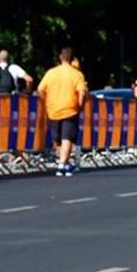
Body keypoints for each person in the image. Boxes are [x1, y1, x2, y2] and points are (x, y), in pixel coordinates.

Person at [37, 47, 87, 176]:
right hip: (70, 108)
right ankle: (62, 164)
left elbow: (40, 89)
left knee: (58, 139)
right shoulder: (76, 74)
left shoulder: (51, 73)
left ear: (60, 57)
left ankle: (63, 162)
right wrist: (80, 106)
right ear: (72, 59)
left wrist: (45, 102)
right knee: (67, 137)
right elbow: (81, 92)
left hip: (53, 109)